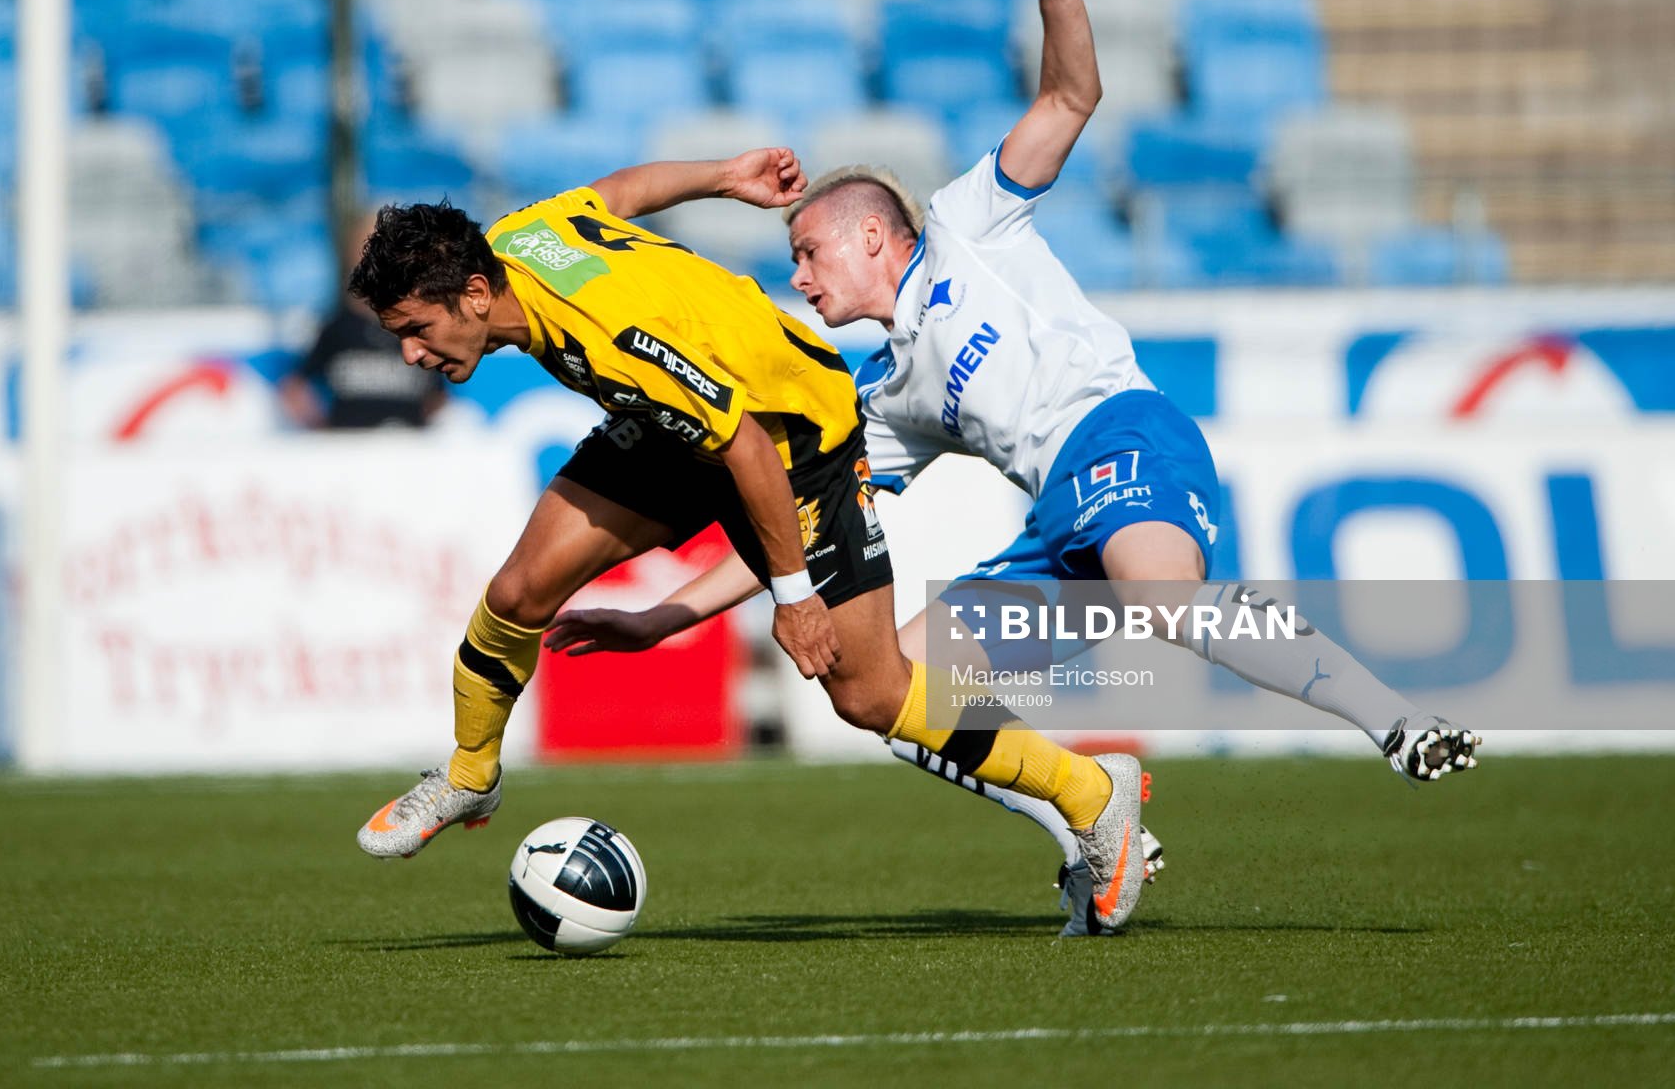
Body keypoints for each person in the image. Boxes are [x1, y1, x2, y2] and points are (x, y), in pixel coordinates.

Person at [545, 0, 1480, 908]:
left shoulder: (966, 223)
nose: (798, 279)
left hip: (1122, 435)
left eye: (807, 253)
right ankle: (1089, 818)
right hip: (1054, 527)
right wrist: (665, 617)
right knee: (889, 694)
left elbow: (1070, 98)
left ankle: (1395, 719)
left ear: (872, 235)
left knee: (1161, 600)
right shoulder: (880, 399)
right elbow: (793, 534)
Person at [346, 138, 1151, 929]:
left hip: (792, 431)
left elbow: (747, 449)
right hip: (675, 419)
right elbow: (618, 192)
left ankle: (1090, 792)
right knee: (519, 592)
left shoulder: (615, 336)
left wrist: (793, 599)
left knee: (869, 694)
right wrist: (724, 175)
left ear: (475, 293)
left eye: (416, 328)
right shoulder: (521, 237)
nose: (410, 353)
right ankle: (470, 774)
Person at [279, 216, 447, 430]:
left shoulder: (419, 327)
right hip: (349, 445)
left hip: (405, 444)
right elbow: (294, 387)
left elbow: (439, 396)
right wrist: (320, 429)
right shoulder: (338, 328)